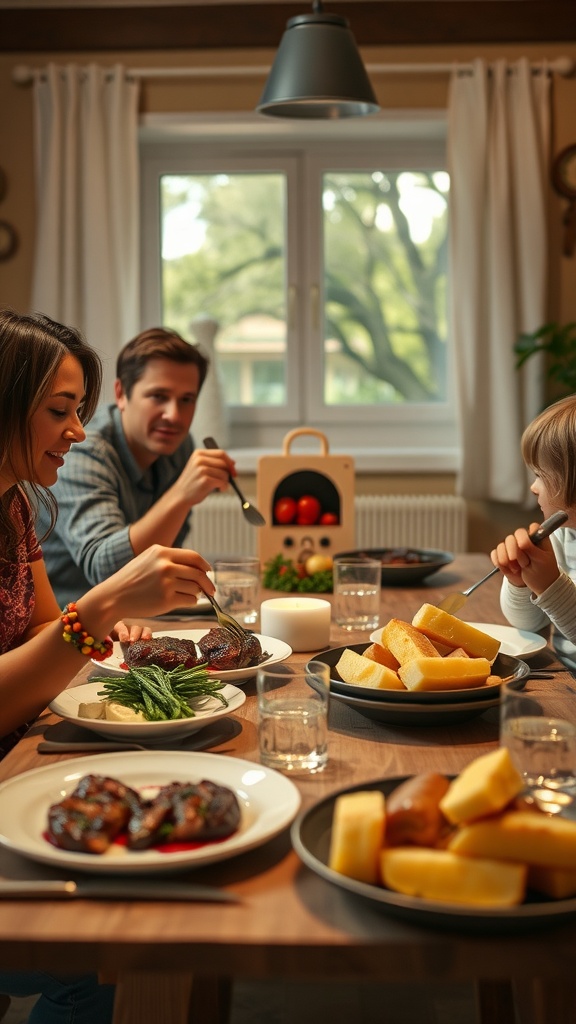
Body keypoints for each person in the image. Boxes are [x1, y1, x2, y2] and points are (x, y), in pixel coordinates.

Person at [0, 308, 216, 1023]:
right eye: (59, 411)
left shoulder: (17, 508)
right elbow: (83, 593)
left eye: (79, 411)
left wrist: (83, 630)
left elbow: (37, 627)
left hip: (21, 754)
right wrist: (92, 616)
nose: (74, 430)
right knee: (118, 947)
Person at [38, 327, 236, 607]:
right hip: (66, 620)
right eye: (158, 396)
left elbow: (164, 554)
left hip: (132, 614)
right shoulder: (83, 450)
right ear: (121, 393)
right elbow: (106, 571)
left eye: (186, 400)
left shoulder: (179, 447)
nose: (174, 415)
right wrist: (181, 495)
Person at [490, 394, 576, 673]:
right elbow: (528, 624)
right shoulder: (562, 535)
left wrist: (551, 585)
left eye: (541, 475)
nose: (534, 487)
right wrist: (520, 583)